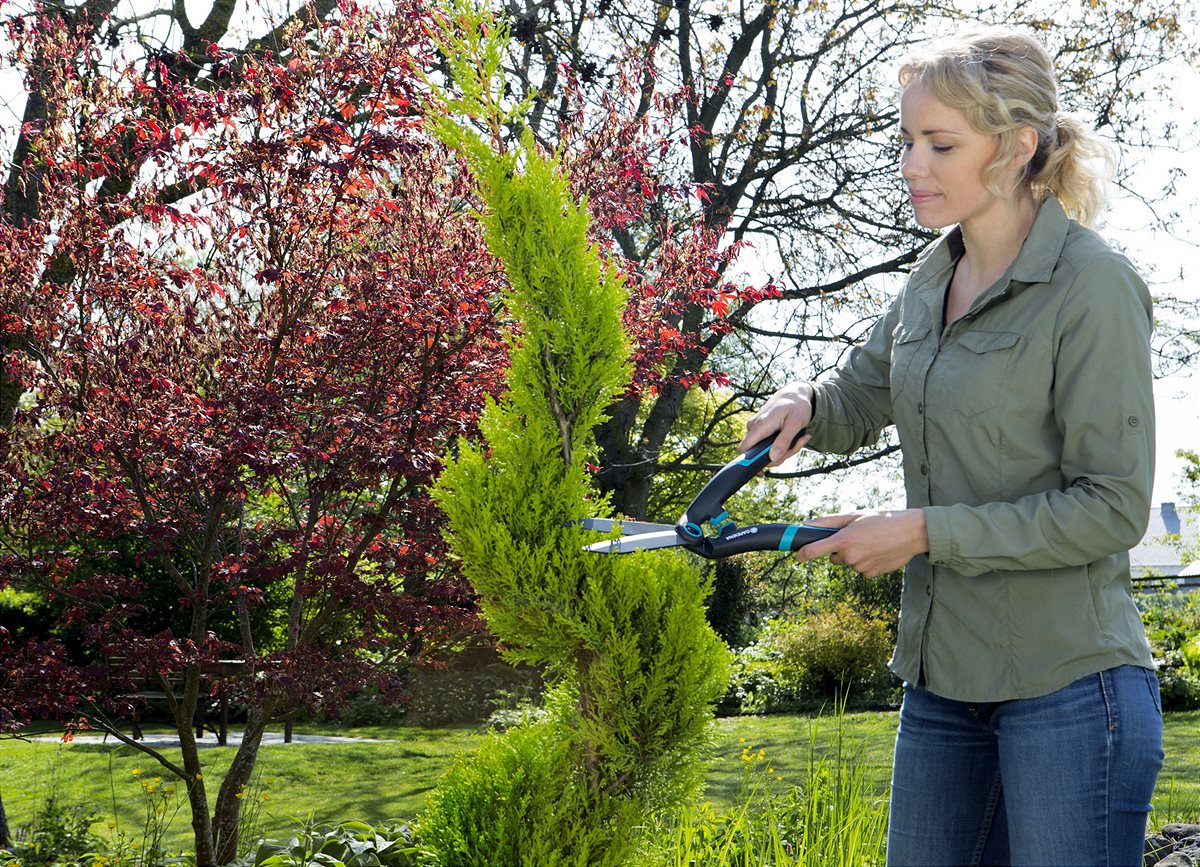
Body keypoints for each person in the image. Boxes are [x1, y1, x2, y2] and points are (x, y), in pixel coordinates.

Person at [740, 25, 1163, 867]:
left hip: (1070, 691)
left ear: (1015, 147)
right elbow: (864, 392)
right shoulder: (932, 275)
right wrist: (803, 403)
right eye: (907, 141)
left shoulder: (1093, 288)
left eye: (940, 144)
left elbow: (1112, 507)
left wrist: (926, 530)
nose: (911, 165)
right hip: (942, 690)